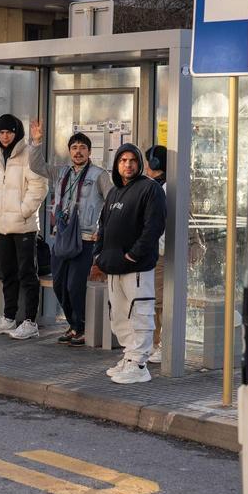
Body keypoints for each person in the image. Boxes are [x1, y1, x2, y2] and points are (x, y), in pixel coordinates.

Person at [27, 122, 112, 346]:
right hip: (62, 237)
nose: (78, 151)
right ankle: (74, 325)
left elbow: (112, 202)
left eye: (82, 147)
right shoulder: (61, 172)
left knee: (75, 285)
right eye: (74, 147)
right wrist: (36, 142)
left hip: (85, 239)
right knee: (59, 285)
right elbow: (36, 166)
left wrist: (101, 232)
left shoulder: (99, 175)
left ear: (89, 151)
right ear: (69, 151)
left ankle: (82, 327)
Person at [94, 144, 167, 384]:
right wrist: (99, 255)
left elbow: (153, 227)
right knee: (119, 316)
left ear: (140, 163)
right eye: (123, 160)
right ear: (117, 164)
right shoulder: (115, 192)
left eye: (132, 160)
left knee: (140, 314)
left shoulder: (150, 189)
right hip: (113, 267)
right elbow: (103, 226)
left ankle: (139, 364)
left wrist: (133, 255)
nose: (128, 164)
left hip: (137, 267)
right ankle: (129, 356)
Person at [0, 114, 49, 340]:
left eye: (9, 132)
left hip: (24, 226)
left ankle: (30, 322)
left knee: (28, 274)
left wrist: (23, 211)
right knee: (8, 273)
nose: (5, 136)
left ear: (17, 132)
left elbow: (39, 186)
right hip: (2, 225)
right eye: (1, 132)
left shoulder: (29, 153)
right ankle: (9, 317)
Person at [144, 145, 167, 364]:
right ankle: (154, 342)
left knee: (160, 301)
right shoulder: (156, 186)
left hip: (161, 251)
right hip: (154, 250)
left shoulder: (164, 188)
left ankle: (161, 344)